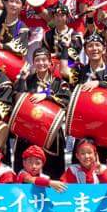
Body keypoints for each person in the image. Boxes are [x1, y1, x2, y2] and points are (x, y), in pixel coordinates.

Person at [12, 47, 69, 175]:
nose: (41, 63)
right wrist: (21, 79)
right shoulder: (27, 80)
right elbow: (18, 101)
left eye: (44, 60)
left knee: (53, 170)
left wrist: (47, 97)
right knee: (26, 168)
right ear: (33, 63)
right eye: (37, 60)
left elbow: (67, 102)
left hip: (51, 133)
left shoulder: (59, 82)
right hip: (29, 130)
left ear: (50, 62)